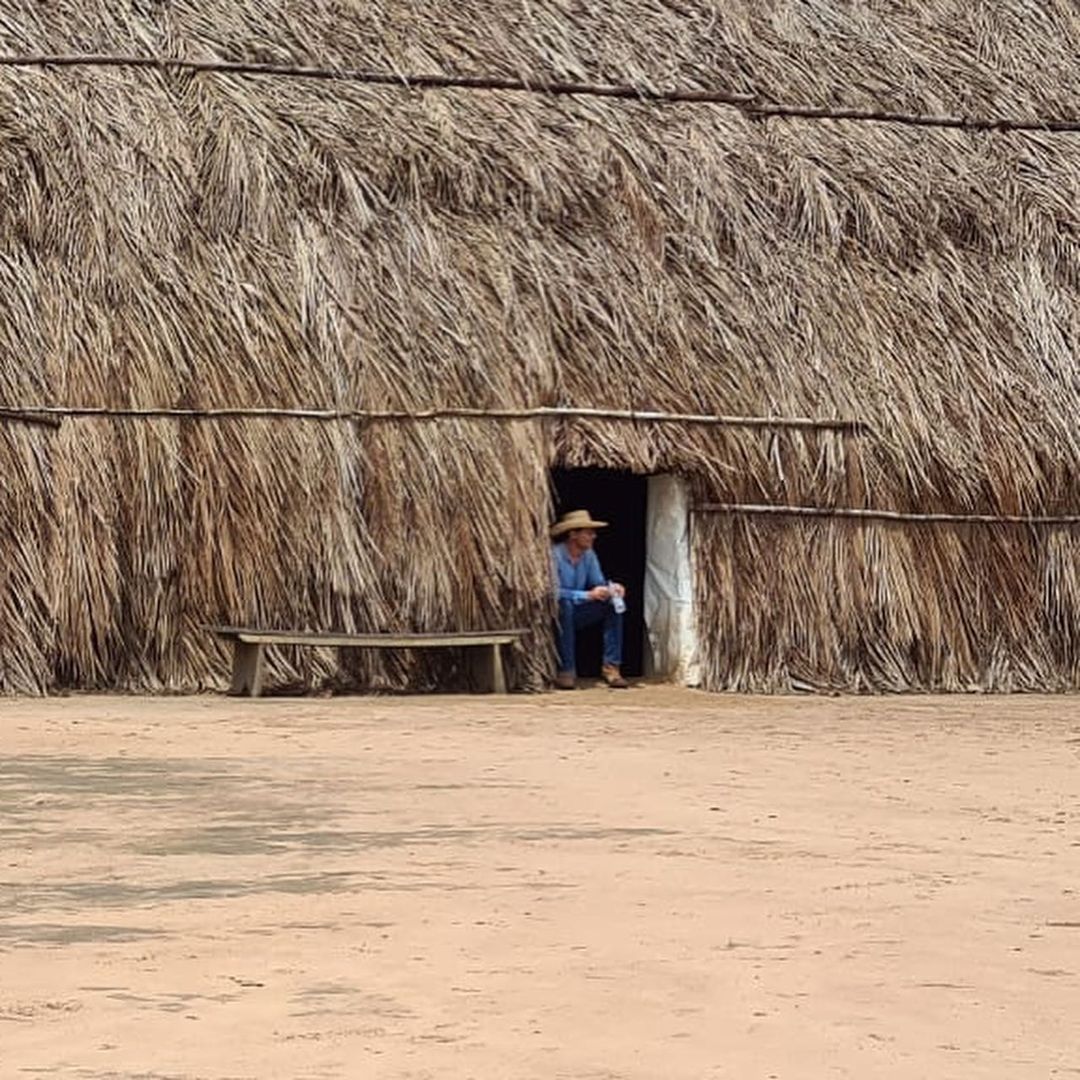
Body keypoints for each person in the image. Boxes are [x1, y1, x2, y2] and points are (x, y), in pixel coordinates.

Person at [550, 509, 629, 689]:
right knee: (565, 605)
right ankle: (567, 670)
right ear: (573, 534)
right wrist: (586, 595)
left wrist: (611, 589)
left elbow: (598, 582)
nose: (593, 536)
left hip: (578, 611)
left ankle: (611, 667)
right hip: (556, 613)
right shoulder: (554, 555)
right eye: (588, 533)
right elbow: (551, 592)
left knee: (612, 605)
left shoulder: (589, 555)